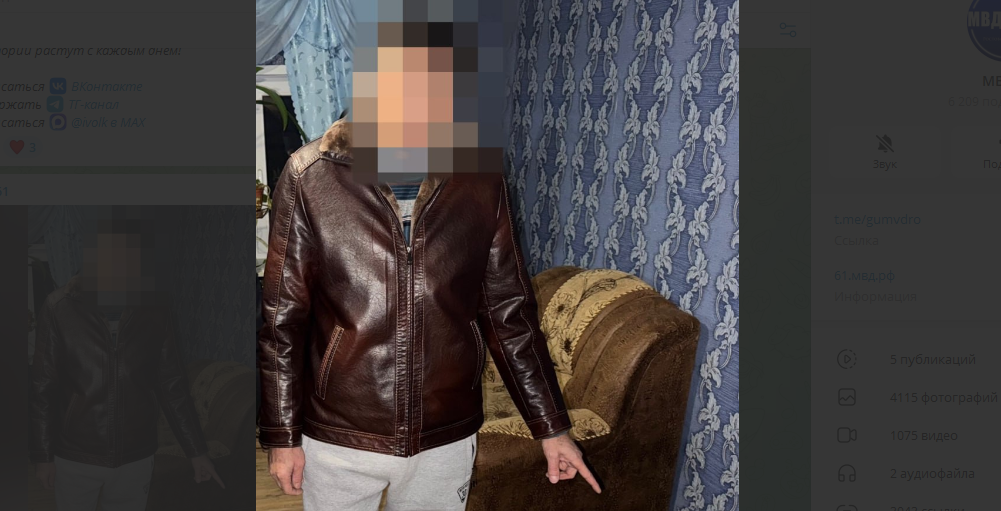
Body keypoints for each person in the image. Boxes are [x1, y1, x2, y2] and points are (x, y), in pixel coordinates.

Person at [258, 17, 602, 511]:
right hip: (340, 434)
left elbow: (509, 313)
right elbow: (281, 322)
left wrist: (551, 427)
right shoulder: (310, 177)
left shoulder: (480, 179)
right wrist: (282, 434)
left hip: (446, 435)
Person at [30, 216, 223, 511]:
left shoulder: (156, 309)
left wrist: (196, 452)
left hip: (136, 457)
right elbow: (43, 388)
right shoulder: (59, 308)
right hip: (75, 456)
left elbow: (172, 386)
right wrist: (43, 456)